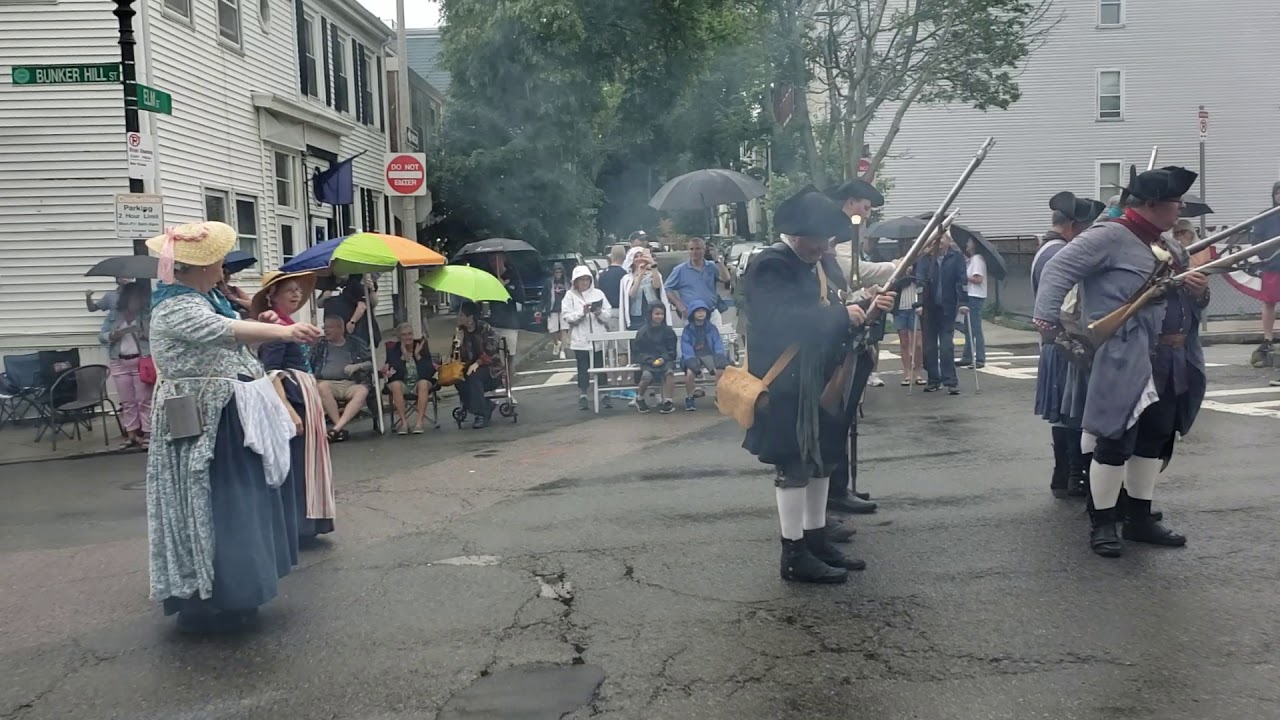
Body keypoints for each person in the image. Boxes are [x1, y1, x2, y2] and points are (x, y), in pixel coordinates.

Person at [145, 221, 322, 632]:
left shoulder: (206, 300)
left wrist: (258, 320)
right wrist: (283, 327)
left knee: (235, 499)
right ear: (202, 266)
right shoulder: (177, 308)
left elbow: (237, 344)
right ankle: (213, 596)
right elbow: (226, 333)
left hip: (225, 414)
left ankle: (235, 590)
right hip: (205, 420)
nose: (224, 268)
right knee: (214, 502)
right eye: (219, 262)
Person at [1034, 166, 1208, 558]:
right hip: (1126, 354)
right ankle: (1104, 523)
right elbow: (1059, 269)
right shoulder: (1110, 236)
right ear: (1150, 204)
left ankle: (1139, 519)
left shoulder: (1168, 246)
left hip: (1170, 358)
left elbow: (1184, 297)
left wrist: (1199, 291)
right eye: (1173, 202)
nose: (1179, 209)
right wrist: (1047, 322)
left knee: (1154, 439)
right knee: (1114, 441)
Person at [742, 187, 896, 584]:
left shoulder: (818, 263)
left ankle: (814, 539)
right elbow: (785, 320)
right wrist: (845, 316)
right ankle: (793, 552)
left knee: (822, 458)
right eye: (819, 239)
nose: (824, 245)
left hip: (821, 374)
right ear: (797, 235)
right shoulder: (770, 265)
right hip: (787, 379)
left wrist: (864, 304)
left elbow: (835, 304)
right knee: (793, 463)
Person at [829, 179, 897, 515]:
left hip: (850, 327)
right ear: (852, 203)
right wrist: (897, 266)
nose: (867, 216)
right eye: (865, 208)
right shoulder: (837, 233)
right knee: (836, 416)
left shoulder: (847, 233)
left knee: (844, 416)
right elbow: (853, 275)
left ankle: (839, 487)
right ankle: (834, 490)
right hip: (837, 335)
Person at [253, 270, 336, 544]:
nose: (297, 294)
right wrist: (288, 410)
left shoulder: (287, 322)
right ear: (272, 295)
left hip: (304, 395)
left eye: (298, 290)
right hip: (292, 397)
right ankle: (297, 526)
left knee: (308, 460)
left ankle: (309, 524)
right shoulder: (277, 327)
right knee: (297, 463)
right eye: (289, 290)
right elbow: (271, 371)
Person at [1032, 191, 1105, 500]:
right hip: (1066, 340)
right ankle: (1074, 475)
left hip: (1055, 342)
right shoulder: (1060, 253)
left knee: (1064, 414)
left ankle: (1064, 475)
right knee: (1072, 413)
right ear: (1074, 225)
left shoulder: (1048, 249)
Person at [98, 281, 152, 449]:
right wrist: (113, 335)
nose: (137, 300)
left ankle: (149, 433)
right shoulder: (115, 315)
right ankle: (131, 434)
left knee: (144, 399)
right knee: (127, 401)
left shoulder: (145, 314)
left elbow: (155, 334)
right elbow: (102, 335)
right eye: (134, 296)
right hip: (119, 360)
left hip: (140, 360)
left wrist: (144, 333)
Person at [918, 230, 967, 395]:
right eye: (934, 241)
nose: (937, 244)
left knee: (946, 346)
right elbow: (920, 281)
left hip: (947, 307)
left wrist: (963, 302)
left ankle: (950, 381)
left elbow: (962, 280)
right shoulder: (925, 259)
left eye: (940, 239)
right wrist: (919, 303)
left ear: (947, 241)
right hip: (929, 309)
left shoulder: (956, 257)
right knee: (929, 348)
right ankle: (933, 379)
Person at [312, 314, 373, 442]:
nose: (325, 330)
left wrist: (357, 366)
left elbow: (370, 363)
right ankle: (338, 428)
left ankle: (336, 429)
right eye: (324, 327)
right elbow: (309, 363)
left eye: (329, 327)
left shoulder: (355, 343)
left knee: (362, 391)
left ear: (340, 328)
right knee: (322, 387)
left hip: (351, 383)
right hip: (328, 383)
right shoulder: (320, 345)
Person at [561, 265, 613, 410]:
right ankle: (583, 394)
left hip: (599, 338)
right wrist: (582, 313)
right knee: (583, 368)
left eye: (587, 279)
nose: (584, 283)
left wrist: (598, 312)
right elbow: (567, 316)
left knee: (600, 366)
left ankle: (604, 395)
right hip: (581, 339)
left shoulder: (598, 293)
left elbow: (607, 314)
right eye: (581, 280)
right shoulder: (569, 296)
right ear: (575, 281)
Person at [1248, 182, 1280, 370]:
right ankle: (1267, 338)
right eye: (1278, 192)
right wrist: (1266, 256)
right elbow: (1256, 240)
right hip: (1273, 266)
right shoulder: (1266, 216)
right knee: (1269, 302)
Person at [384, 322, 437, 434]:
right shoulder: (394, 350)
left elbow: (428, 373)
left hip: (419, 383)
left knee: (423, 383)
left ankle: (419, 423)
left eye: (410, 334)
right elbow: (394, 375)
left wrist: (418, 356)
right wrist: (403, 357)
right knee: (395, 385)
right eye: (404, 335)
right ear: (399, 337)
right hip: (403, 384)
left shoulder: (421, 346)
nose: (408, 337)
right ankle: (404, 423)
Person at [456, 301, 503, 428]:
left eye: (461, 315)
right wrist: (457, 342)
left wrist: (478, 363)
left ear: (470, 318)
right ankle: (486, 406)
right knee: (458, 379)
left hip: (490, 369)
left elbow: (491, 350)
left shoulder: (484, 328)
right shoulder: (460, 332)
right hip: (468, 367)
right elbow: (456, 357)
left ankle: (480, 414)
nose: (458, 318)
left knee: (474, 376)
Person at [665, 237, 728, 326]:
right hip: (690, 315)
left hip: (712, 313)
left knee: (715, 339)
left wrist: (718, 260)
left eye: (698, 249)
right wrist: (679, 305)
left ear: (704, 250)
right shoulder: (680, 270)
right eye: (691, 249)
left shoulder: (711, 266)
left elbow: (726, 279)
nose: (694, 252)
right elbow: (667, 288)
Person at [679, 300, 728, 411]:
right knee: (690, 373)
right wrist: (690, 360)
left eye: (703, 311)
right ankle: (690, 397)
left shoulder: (712, 328)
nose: (701, 313)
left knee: (719, 371)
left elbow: (717, 343)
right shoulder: (687, 330)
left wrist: (720, 355)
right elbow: (685, 346)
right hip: (693, 355)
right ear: (692, 314)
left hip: (708, 354)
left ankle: (719, 395)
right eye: (698, 311)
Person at [631, 304, 678, 414]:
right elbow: (638, 352)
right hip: (648, 360)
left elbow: (672, 350)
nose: (660, 316)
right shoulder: (642, 332)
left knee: (669, 372)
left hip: (665, 359)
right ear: (650, 314)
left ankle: (669, 401)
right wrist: (650, 360)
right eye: (657, 314)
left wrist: (664, 358)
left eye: (662, 314)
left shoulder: (668, 331)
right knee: (646, 375)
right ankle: (640, 398)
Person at [619, 250, 671, 331]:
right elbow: (631, 294)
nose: (639, 259)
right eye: (636, 257)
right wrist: (640, 275)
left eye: (641, 256)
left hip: (653, 314)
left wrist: (653, 266)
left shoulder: (654, 274)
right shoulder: (627, 278)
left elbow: (657, 285)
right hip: (637, 316)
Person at [324, 274, 381, 347]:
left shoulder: (354, 284)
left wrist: (352, 322)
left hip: (354, 325)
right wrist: (324, 297)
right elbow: (319, 304)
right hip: (336, 325)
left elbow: (366, 305)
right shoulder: (330, 285)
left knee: (355, 347)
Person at [957, 237, 988, 369]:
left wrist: (964, 276)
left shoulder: (977, 259)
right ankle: (967, 356)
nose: (966, 244)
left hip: (975, 296)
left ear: (974, 245)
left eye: (969, 242)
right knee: (968, 328)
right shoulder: (971, 260)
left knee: (974, 328)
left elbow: (978, 278)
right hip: (970, 295)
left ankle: (980, 358)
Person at [543, 263, 570, 359]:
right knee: (552, 330)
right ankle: (556, 343)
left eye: (560, 272)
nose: (558, 274)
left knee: (564, 330)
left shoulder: (567, 282)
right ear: (553, 272)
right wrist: (539, 309)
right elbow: (544, 297)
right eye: (556, 272)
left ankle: (563, 351)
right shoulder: (548, 282)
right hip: (552, 309)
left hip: (564, 309)